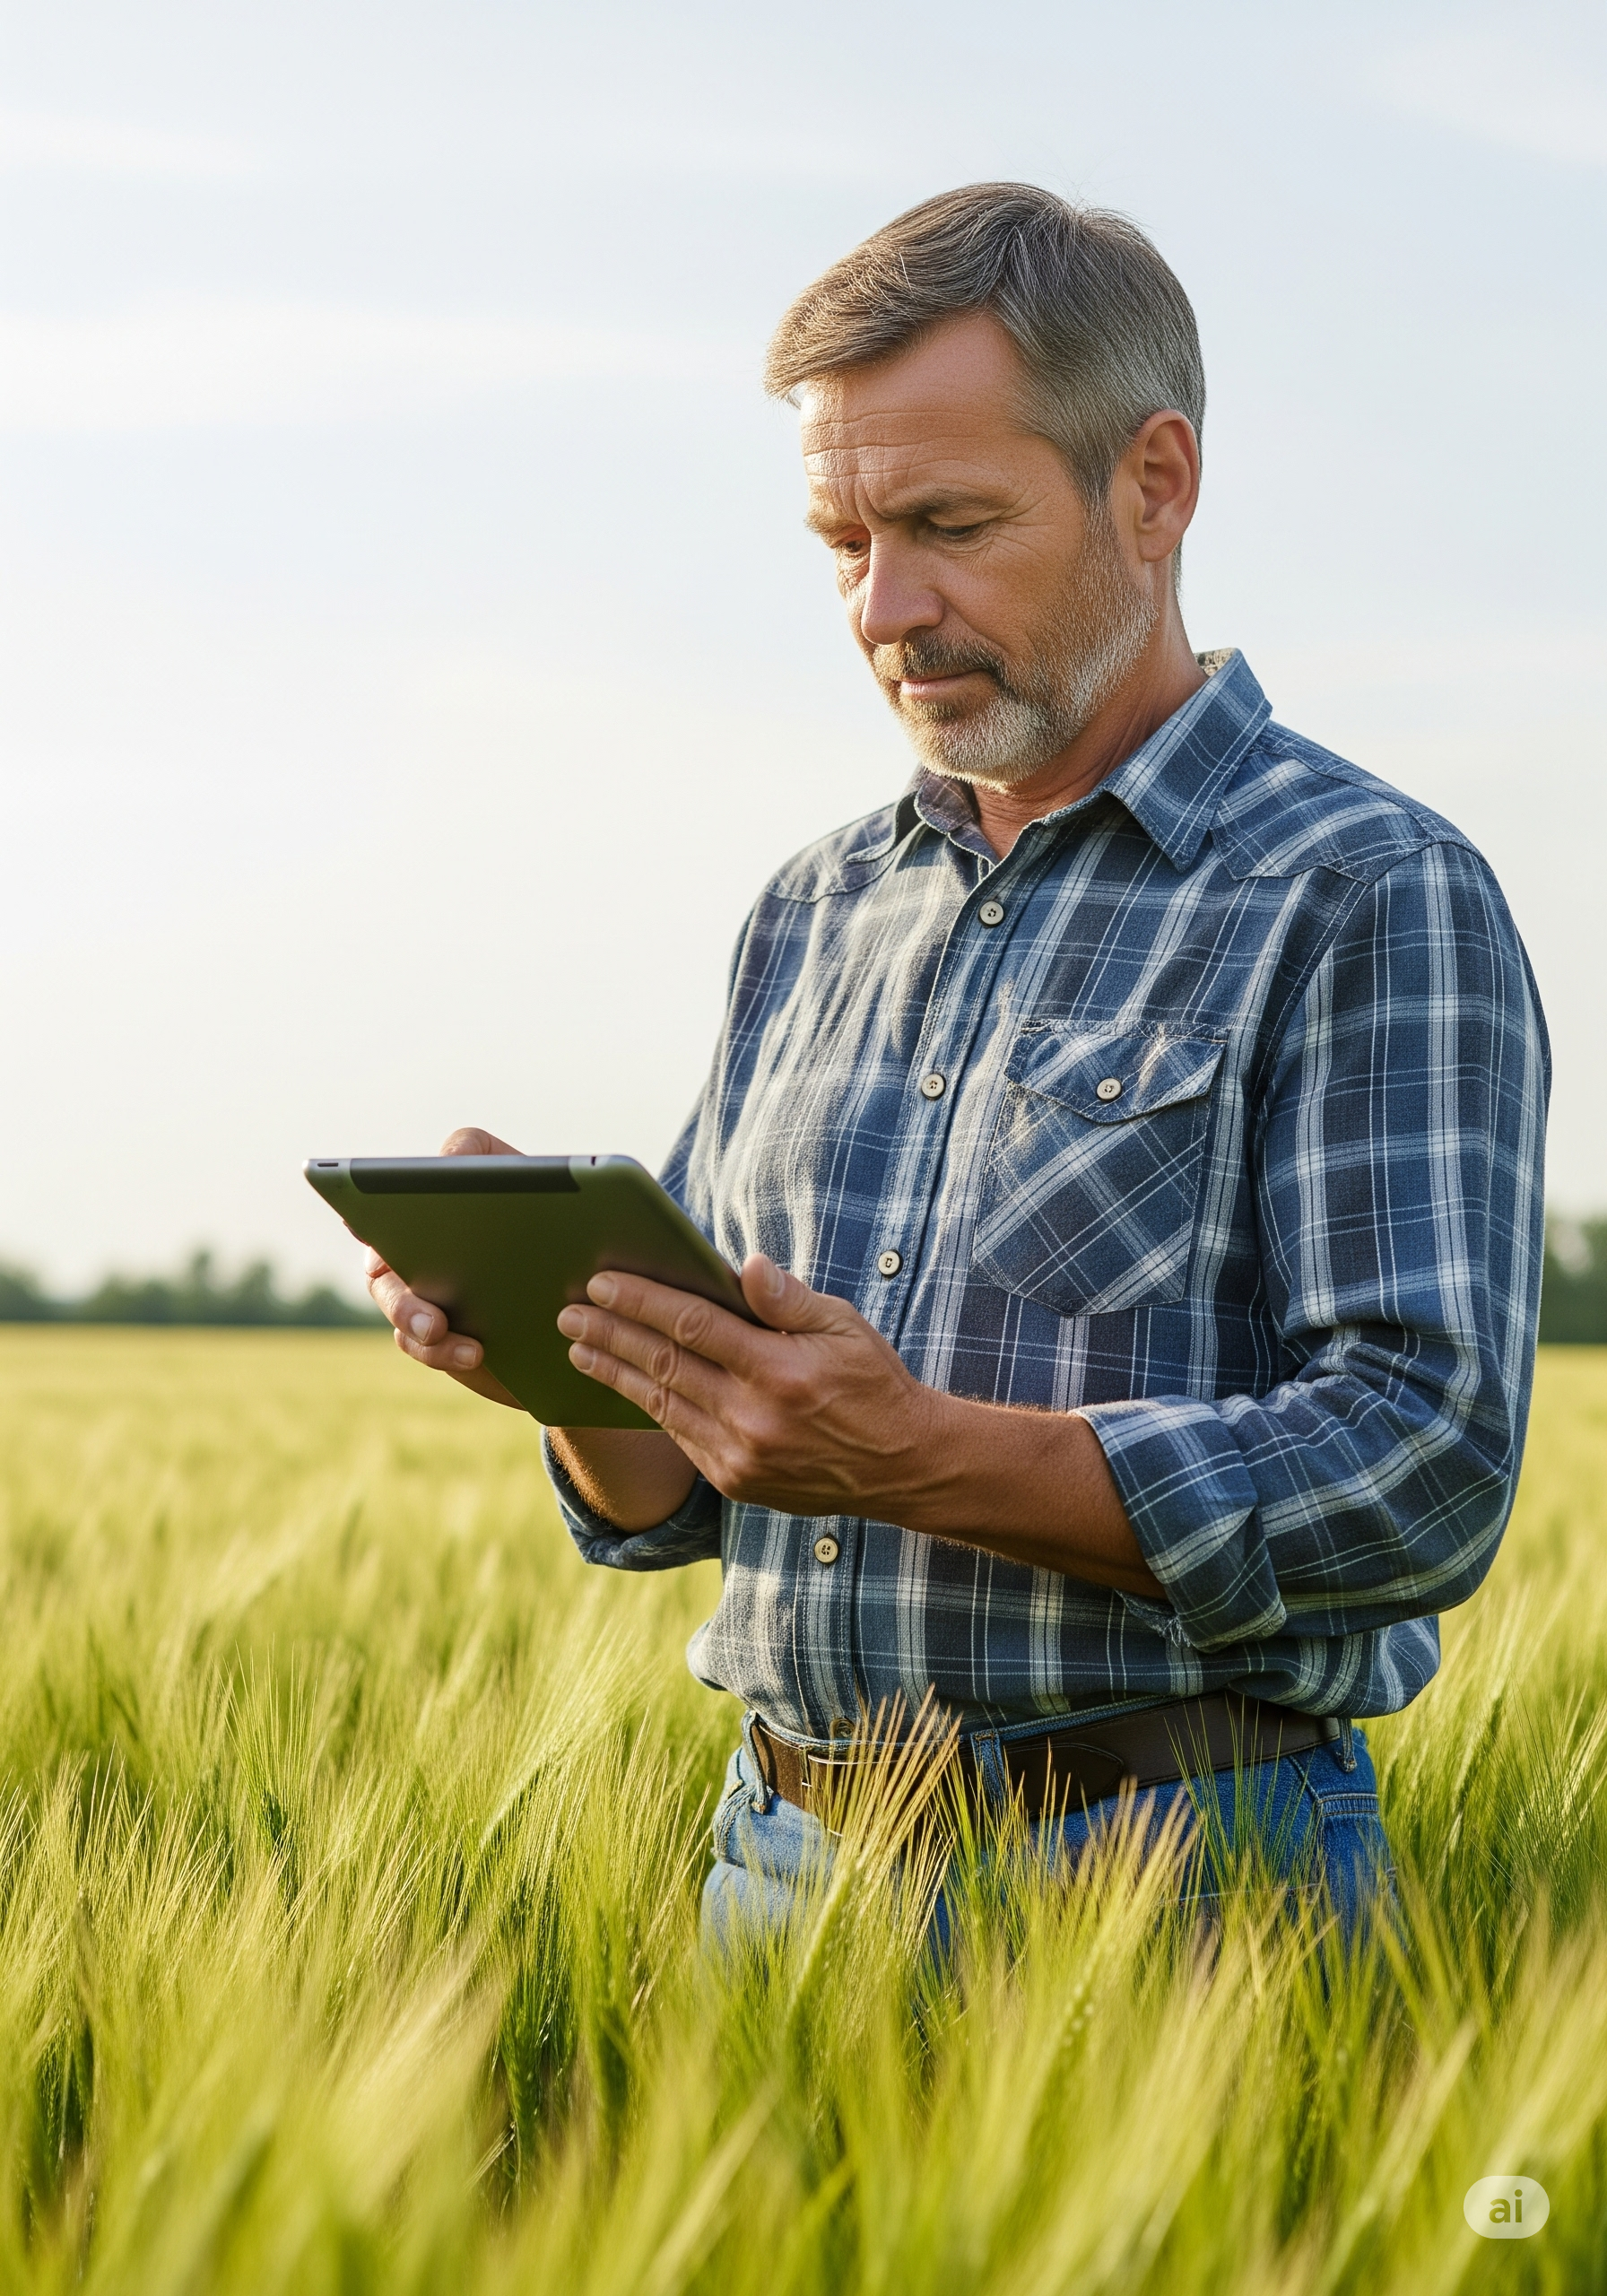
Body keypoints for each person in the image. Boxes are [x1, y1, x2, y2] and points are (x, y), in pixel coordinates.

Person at [369, 185, 1550, 1942]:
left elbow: (1418, 1464)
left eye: (946, 523)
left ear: (1150, 485)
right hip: (773, 1864)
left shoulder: (1361, 887)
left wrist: (912, 1451)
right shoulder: (811, 910)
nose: (882, 604)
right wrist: (573, 1356)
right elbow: (686, 1492)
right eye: (840, 540)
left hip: (1169, 1886)